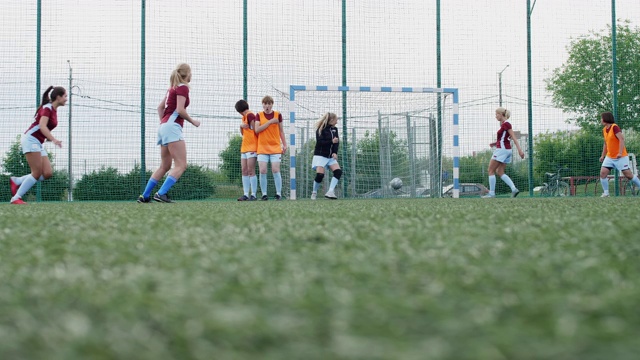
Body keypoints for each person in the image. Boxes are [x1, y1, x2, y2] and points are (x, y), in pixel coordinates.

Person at [138, 63, 200, 203]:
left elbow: (160, 108)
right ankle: (161, 193)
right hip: (172, 127)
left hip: (163, 126)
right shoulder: (183, 88)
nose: (192, 75)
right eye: (191, 72)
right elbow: (179, 110)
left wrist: (165, 124)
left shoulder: (171, 88)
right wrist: (193, 121)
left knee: (165, 166)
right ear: (187, 74)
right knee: (181, 165)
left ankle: (145, 196)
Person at [9, 86, 67, 204]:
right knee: (36, 173)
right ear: (58, 97)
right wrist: (53, 139)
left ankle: (17, 181)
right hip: (31, 140)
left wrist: (48, 138)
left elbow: (43, 128)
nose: (67, 99)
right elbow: (42, 126)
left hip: (38, 142)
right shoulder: (47, 108)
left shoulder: (53, 109)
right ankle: (16, 198)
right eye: (65, 96)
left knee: (47, 173)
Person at [482, 107, 524, 198]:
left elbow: (513, 137)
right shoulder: (504, 125)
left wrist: (520, 150)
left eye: (496, 114)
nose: (495, 116)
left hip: (502, 150)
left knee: (490, 170)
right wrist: (494, 143)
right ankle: (513, 189)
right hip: (506, 150)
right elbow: (504, 138)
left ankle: (492, 193)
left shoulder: (507, 124)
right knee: (500, 171)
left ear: (501, 114)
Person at [598, 111, 640, 197]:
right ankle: (606, 193)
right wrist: (603, 155)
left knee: (628, 175)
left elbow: (621, 139)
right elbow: (606, 143)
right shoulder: (604, 130)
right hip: (609, 156)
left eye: (601, 118)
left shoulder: (615, 127)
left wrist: (620, 152)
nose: (601, 120)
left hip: (621, 157)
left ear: (606, 119)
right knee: (603, 173)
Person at [254, 95, 287, 200]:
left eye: (269, 103)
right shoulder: (258, 115)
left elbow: (281, 131)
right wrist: (269, 122)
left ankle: (278, 194)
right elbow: (257, 130)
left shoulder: (278, 115)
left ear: (272, 104)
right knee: (262, 170)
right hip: (262, 148)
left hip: (275, 147)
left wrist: (285, 144)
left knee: (275, 169)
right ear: (262, 104)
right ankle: (264, 194)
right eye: (265, 103)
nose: (267, 105)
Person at [310, 112, 341, 200]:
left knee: (338, 172)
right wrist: (331, 141)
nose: (337, 122)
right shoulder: (320, 129)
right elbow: (320, 142)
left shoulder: (335, 129)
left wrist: (335, 152)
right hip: (320, 155)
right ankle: (314, 192)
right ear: (331, 120)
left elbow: (336, 142)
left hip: (330, 157)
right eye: (336, 120)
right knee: (320, 175)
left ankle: (330, 191)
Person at [235, 99, 258, 201]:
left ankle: (253, 194)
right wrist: (241, 126)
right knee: (244, 170)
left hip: (252, 147)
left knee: (250, 170)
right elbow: (244, 133)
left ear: (239, 111)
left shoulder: (250, 115)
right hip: (244, 147)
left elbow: (256, 130)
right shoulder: (244, 118)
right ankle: (245, 194)